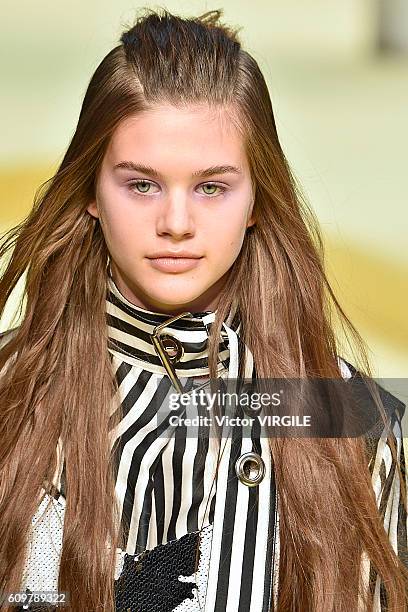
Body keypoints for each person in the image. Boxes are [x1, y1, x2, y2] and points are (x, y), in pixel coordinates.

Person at [0, 7, 407, 612]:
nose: (176, 223)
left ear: (255, 202)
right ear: (90, 192)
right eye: (142, 184)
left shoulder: (356, 426)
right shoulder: (13, 398)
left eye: (211, 187)